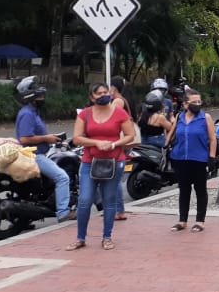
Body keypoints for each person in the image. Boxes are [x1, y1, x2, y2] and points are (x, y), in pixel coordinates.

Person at [68, 83, 135, 251]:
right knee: (84, 200)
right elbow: (76, 138)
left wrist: (114, 145)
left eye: (106, 92)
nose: (104, 95)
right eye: (99, 93)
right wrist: (96, 142)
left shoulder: (119, 113)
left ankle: (107, 237)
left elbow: (130, 135)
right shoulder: (85, 114)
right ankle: (80, 238)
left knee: (109, 201)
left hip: (114, 161)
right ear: (92, 97)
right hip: (89, 161)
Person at [14, 76, 72, 223]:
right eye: (39, 95)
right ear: (31, 96)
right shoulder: (27, 113)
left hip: (36, 153)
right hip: (34, 155)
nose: (42, 98)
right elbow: (25, 139)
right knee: (62, 177)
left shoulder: (31, 112)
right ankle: (63, 212)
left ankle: (24, 218)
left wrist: (49, 137)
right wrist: (47, 138)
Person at [168, 88, 217, 232]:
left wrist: (212, 158)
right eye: (193, 102)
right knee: (184, 190)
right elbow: (171, 135)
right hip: (180, 158)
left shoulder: (205, 117)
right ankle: (182, 220)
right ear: (185, 104)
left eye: (199, 101)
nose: (197, 104)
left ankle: (200, 221)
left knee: (200, 190)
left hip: (199, 159)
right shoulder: (179, 117)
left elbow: (212, 139)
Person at [109, 76, 135, 222]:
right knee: (115, 176)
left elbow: (110, 117)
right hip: (122, 141)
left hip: (118, 141)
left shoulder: (118, 101)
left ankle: (119, 210)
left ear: (113, 88)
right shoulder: (123, 100)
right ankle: (118, 209)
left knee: (115, 177)